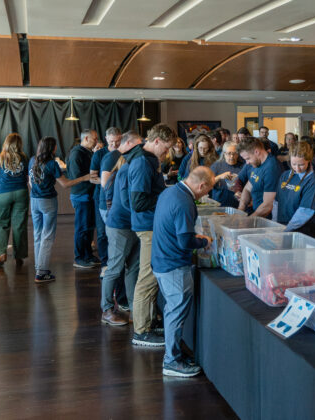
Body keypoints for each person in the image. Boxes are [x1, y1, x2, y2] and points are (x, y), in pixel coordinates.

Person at [152, 166, 215, 377]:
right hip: (173, 265)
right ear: (201, 185)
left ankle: (175, 353)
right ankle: (171, 361)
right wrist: (203, 241)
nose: (207, 194)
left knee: (173, 311)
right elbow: (185, 240)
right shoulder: (184, 202)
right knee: (175, 313)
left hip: (162, 259)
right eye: (208, 190)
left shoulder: (170, 191)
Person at [128, 123, 177, 346]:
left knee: (151, 276)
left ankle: (148, 321)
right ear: (156, 141)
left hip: (152, 225)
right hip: (146, 227)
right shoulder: (141, 162)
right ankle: (141, 331)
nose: (166, 154)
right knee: (147, 278)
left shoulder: (148, 160)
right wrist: (167, 198)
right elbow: (138, 202)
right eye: (165, 149)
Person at [101, 131, 144, 326]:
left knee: (132, 269)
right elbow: (129, 203)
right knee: (115, 268)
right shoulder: (126, 172)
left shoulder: (126, 170)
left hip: (131, 225)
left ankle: (136, 310)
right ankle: (107, 309)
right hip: (120, 226)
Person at [29, 137, 76, 284]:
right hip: (47, 201)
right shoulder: (52, 164)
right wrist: (85, 178)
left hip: (34, 200)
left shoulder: (32, 160)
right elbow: (65, 184)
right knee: (47, 236)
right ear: (53, 148)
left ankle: (39, 267)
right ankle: (41, 272)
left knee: (38, 234)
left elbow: (29, 181)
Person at [0, 133, 29, 267]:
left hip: (3, 193)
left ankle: (1, 253)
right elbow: (27, 177)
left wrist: (0, 189)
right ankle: (19, 256)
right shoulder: (24, 158)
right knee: (20, 225)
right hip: (21, 192)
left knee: (0, 223)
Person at [67, 129, 101, 268]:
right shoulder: (77, 153)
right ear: (86, 138)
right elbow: (75, 177)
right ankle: (80, 257)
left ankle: (88, 255)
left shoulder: (87, 152)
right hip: (81, 195)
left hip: (88, 194)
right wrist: (89, 177)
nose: (96, 141)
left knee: (88, 227)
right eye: (94, 138)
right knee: (82, 227)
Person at [274, 141, 315, 238]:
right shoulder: (285, 175)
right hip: (282, 225)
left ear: (309, 160)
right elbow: (276, 202)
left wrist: (287, 229)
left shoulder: (312, 180)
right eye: (294, 164)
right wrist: (275, 225)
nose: (297, 168)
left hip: (303, 230)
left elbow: (305, 211)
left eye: (301, 165)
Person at [92, 128, 122, 274]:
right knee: (102, 233)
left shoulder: (123, 152)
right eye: (111, 142)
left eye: (117, 141)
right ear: (106, 139)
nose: (115, 145)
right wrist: (110, 181)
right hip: (102, 198)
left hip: (119, 200)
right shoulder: (99, 154)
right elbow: (92, 177)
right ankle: (105, 263)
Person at [238, 136, 281, 219]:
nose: (247, 163)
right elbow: (247, 188)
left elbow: (268, 205)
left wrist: (247, 221)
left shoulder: (272, 168)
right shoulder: (256, 164)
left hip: (267, 219)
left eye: (248, 158)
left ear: (256, 152)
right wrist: (240, 210)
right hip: (256, 215)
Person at [209, 141, 244, 208]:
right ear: (224, 154)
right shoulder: (216, 166)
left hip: (238, 205)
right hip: (219, 205)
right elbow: (207, 183)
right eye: (229, 153)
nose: (231, 156)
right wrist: (219, 177)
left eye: (234, 153)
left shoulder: (243, 167)